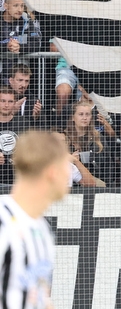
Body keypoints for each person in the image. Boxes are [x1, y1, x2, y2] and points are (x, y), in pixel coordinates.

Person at [0, 131, 70, 309]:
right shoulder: (3, 222)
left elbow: (38, 297)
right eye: (66, 165)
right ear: (52, 172)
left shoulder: (41, 226)